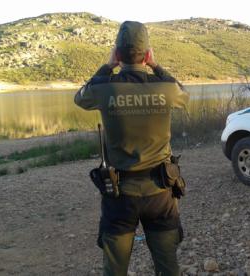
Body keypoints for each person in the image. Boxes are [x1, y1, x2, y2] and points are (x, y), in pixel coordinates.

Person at [74, 21, 189, 276]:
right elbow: (184, 93)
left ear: (117, 54)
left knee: (114, 269)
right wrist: (157, 66)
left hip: (119, 195)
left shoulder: (104, 88)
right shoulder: (165, 89)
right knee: (168, 267)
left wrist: (107, 66)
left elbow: (80, 97)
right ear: (147, 54)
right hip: (161, 192)